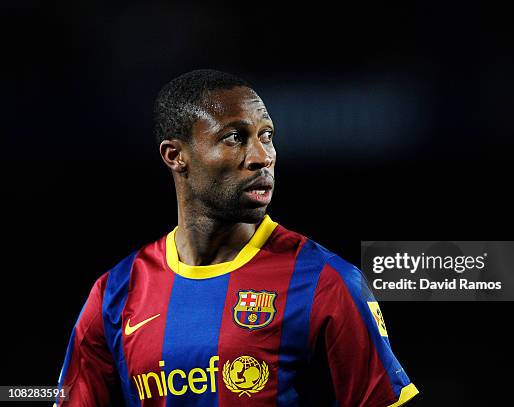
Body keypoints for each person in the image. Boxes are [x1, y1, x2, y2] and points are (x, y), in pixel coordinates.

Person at [56, 69, 418, 406]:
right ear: (176, 155)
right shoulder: (115, 293)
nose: (263, 157)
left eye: (267, 137)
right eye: (234, 137)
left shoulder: (327, 282)